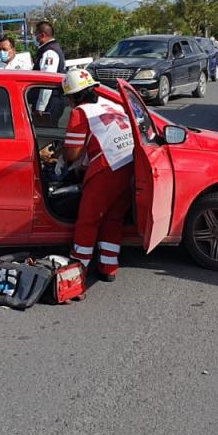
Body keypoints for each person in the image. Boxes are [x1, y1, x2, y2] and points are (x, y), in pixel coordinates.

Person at [61, 68, 134, 282]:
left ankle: (78, 271)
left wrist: (61, 158)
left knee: (88, 221)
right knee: (113, 218)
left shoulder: (80, 112)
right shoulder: (112, 104)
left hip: (106, 170)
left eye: (68, 98)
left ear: (75, 96)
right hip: (128, 165)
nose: (68, 103)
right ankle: (108, 267)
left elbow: (72, 154)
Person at [32, 21, 66, 123]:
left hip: (50, 102)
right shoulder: (51, 49)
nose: (34, 37)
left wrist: (41, 106)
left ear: (42, 35)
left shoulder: (49, 52)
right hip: (52, 101)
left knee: (45, 130)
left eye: (35, 34)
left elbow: (47, 81)